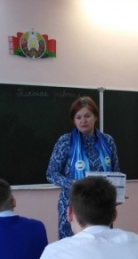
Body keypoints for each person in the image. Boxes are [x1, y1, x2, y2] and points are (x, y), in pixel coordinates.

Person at [46, 96, 120, 239]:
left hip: (101, 205)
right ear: (74, 120)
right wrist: (75, 184)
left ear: (95, 117)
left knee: (101, 245)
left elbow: (116, 172)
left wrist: (117, 191)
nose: (83, 121)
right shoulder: (65, 141)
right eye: (78, 117)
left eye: (87, 116)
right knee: (71, 247)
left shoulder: (108, 141)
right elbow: (51, 173)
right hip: (73, 205)